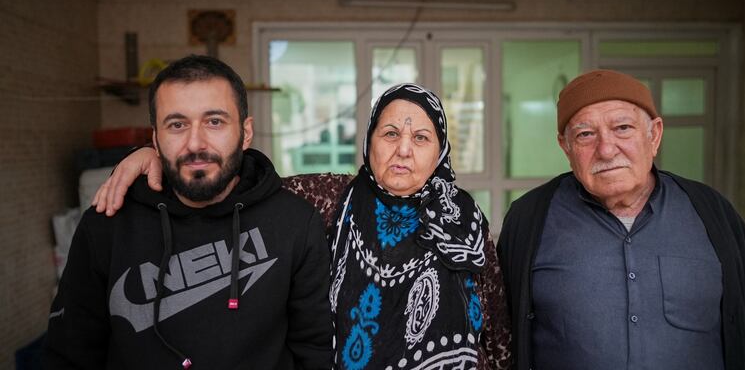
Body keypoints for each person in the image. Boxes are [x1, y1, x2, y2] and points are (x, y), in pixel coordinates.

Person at [93, 83, 512, 369]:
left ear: (440, 150)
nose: (403, 149)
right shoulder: (331, 197)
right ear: (368, 142)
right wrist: (152, 156)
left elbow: (496, 328)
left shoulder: (466, 221)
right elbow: (236, 183)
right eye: (389, 133)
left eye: (421, 137)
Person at [45, 55, 332, 369]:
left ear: (246, 133)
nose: (195, 143)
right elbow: (69, 353)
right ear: (155, 138)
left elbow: (315, 350)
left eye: (214, 121)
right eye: (177, 124)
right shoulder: (107, 224)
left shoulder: (295, 222)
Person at [497, 69, 745, 370]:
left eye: (622, 128)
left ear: (654, 135)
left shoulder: (713, 214)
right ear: (565, 147)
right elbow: (500, 333)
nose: (606, 149)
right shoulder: (529, 219)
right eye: (585, 134)